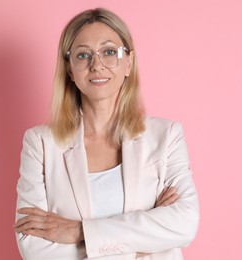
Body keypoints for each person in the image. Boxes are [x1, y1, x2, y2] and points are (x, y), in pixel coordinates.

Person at [13, 8, 199, 260]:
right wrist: (146, 241)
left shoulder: (166, 136)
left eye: (109, 52)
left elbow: (185, 225)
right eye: (83, 55)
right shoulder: (41, 144)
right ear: (70, 69)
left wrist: (78, 231)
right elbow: (34, 249)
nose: (97, 65)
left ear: (128, 63)